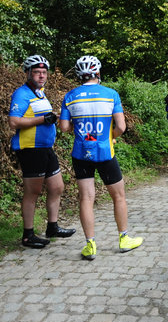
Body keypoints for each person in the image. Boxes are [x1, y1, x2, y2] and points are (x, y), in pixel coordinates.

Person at [59, 55, 143, 260]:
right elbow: (122, 126)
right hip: (105, 151)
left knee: (86, 198)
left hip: (81, 153)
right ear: (98, 73)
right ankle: (124, 239)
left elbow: (64, 127)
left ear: (79, 74)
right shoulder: (110, 94)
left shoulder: (70, 96)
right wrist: (110, 137)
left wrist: (80, 132)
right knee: (118, 196)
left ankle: (90, 245)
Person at [8, 55, 76, 249]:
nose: (41, 76)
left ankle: (52, 227)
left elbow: (43, 116)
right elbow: (13, 122)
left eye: (44, 72)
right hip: (30, 149)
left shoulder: (40, 93)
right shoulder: (22, 94)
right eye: (37, 72)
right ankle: (28, 235)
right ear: (28, 73)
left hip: (45, 149)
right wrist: (42, 120)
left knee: (57, 187)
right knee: (33, 191)